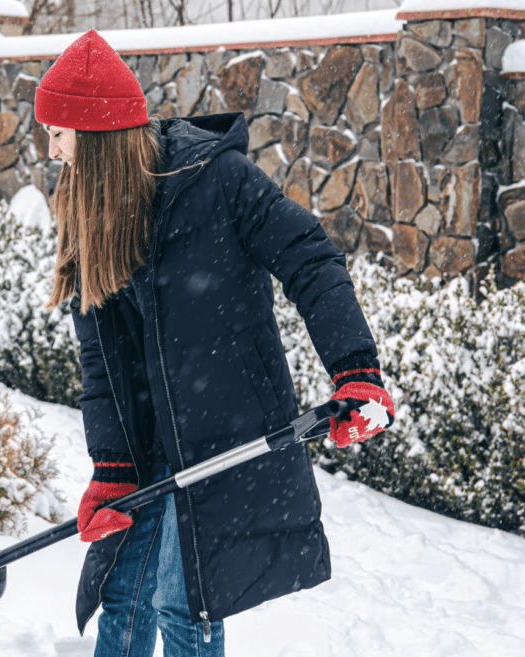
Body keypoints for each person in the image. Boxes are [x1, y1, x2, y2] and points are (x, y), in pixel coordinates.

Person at [33, 30, 395, 657]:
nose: (50, 149)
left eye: (58, 133)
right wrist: (112, 469)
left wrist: (355, 370)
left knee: (183, 601)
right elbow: (105, 365)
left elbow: (310, 258)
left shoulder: (219, 180)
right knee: (121, 595)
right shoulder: (88, 208)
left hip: (224, 431)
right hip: (149, 443)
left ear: (93, 139)